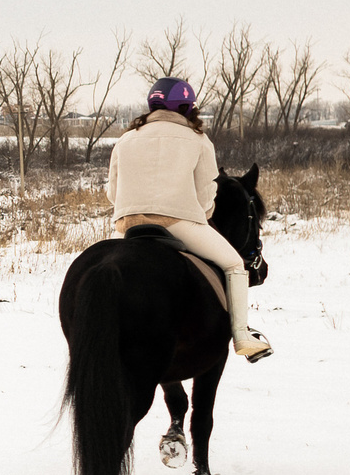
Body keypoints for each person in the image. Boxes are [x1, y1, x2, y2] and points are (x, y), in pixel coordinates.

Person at [106, 77, 273, 361]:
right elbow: (207, 196)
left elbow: (112, 192)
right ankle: (243, 337)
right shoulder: (198, 140)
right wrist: (203, 216)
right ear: (186, 107)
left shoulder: (126, 139)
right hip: (178, 223)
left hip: (129, 224)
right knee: (233, 263)